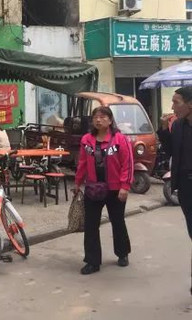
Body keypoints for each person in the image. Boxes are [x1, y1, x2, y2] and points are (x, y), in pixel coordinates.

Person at [74, 106, 133, 275]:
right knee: (91, 225)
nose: (98, 120)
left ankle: (122, 253)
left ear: (110, 120)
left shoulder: (120, 139)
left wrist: (125, 186)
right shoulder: (86, 140)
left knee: (118, 221)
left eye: (102, 117)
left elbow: (127, 164)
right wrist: (78, 183)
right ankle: (92, 261)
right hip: (93, 189)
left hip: (115, 190)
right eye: (95, 117)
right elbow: (82, 163)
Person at [157, 87, 192, 295]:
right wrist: (164, 129)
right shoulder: (178, 125)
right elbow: (171, 151)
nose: (172, 106)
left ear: (190, 104)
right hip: (186, 186)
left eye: (176, 102)